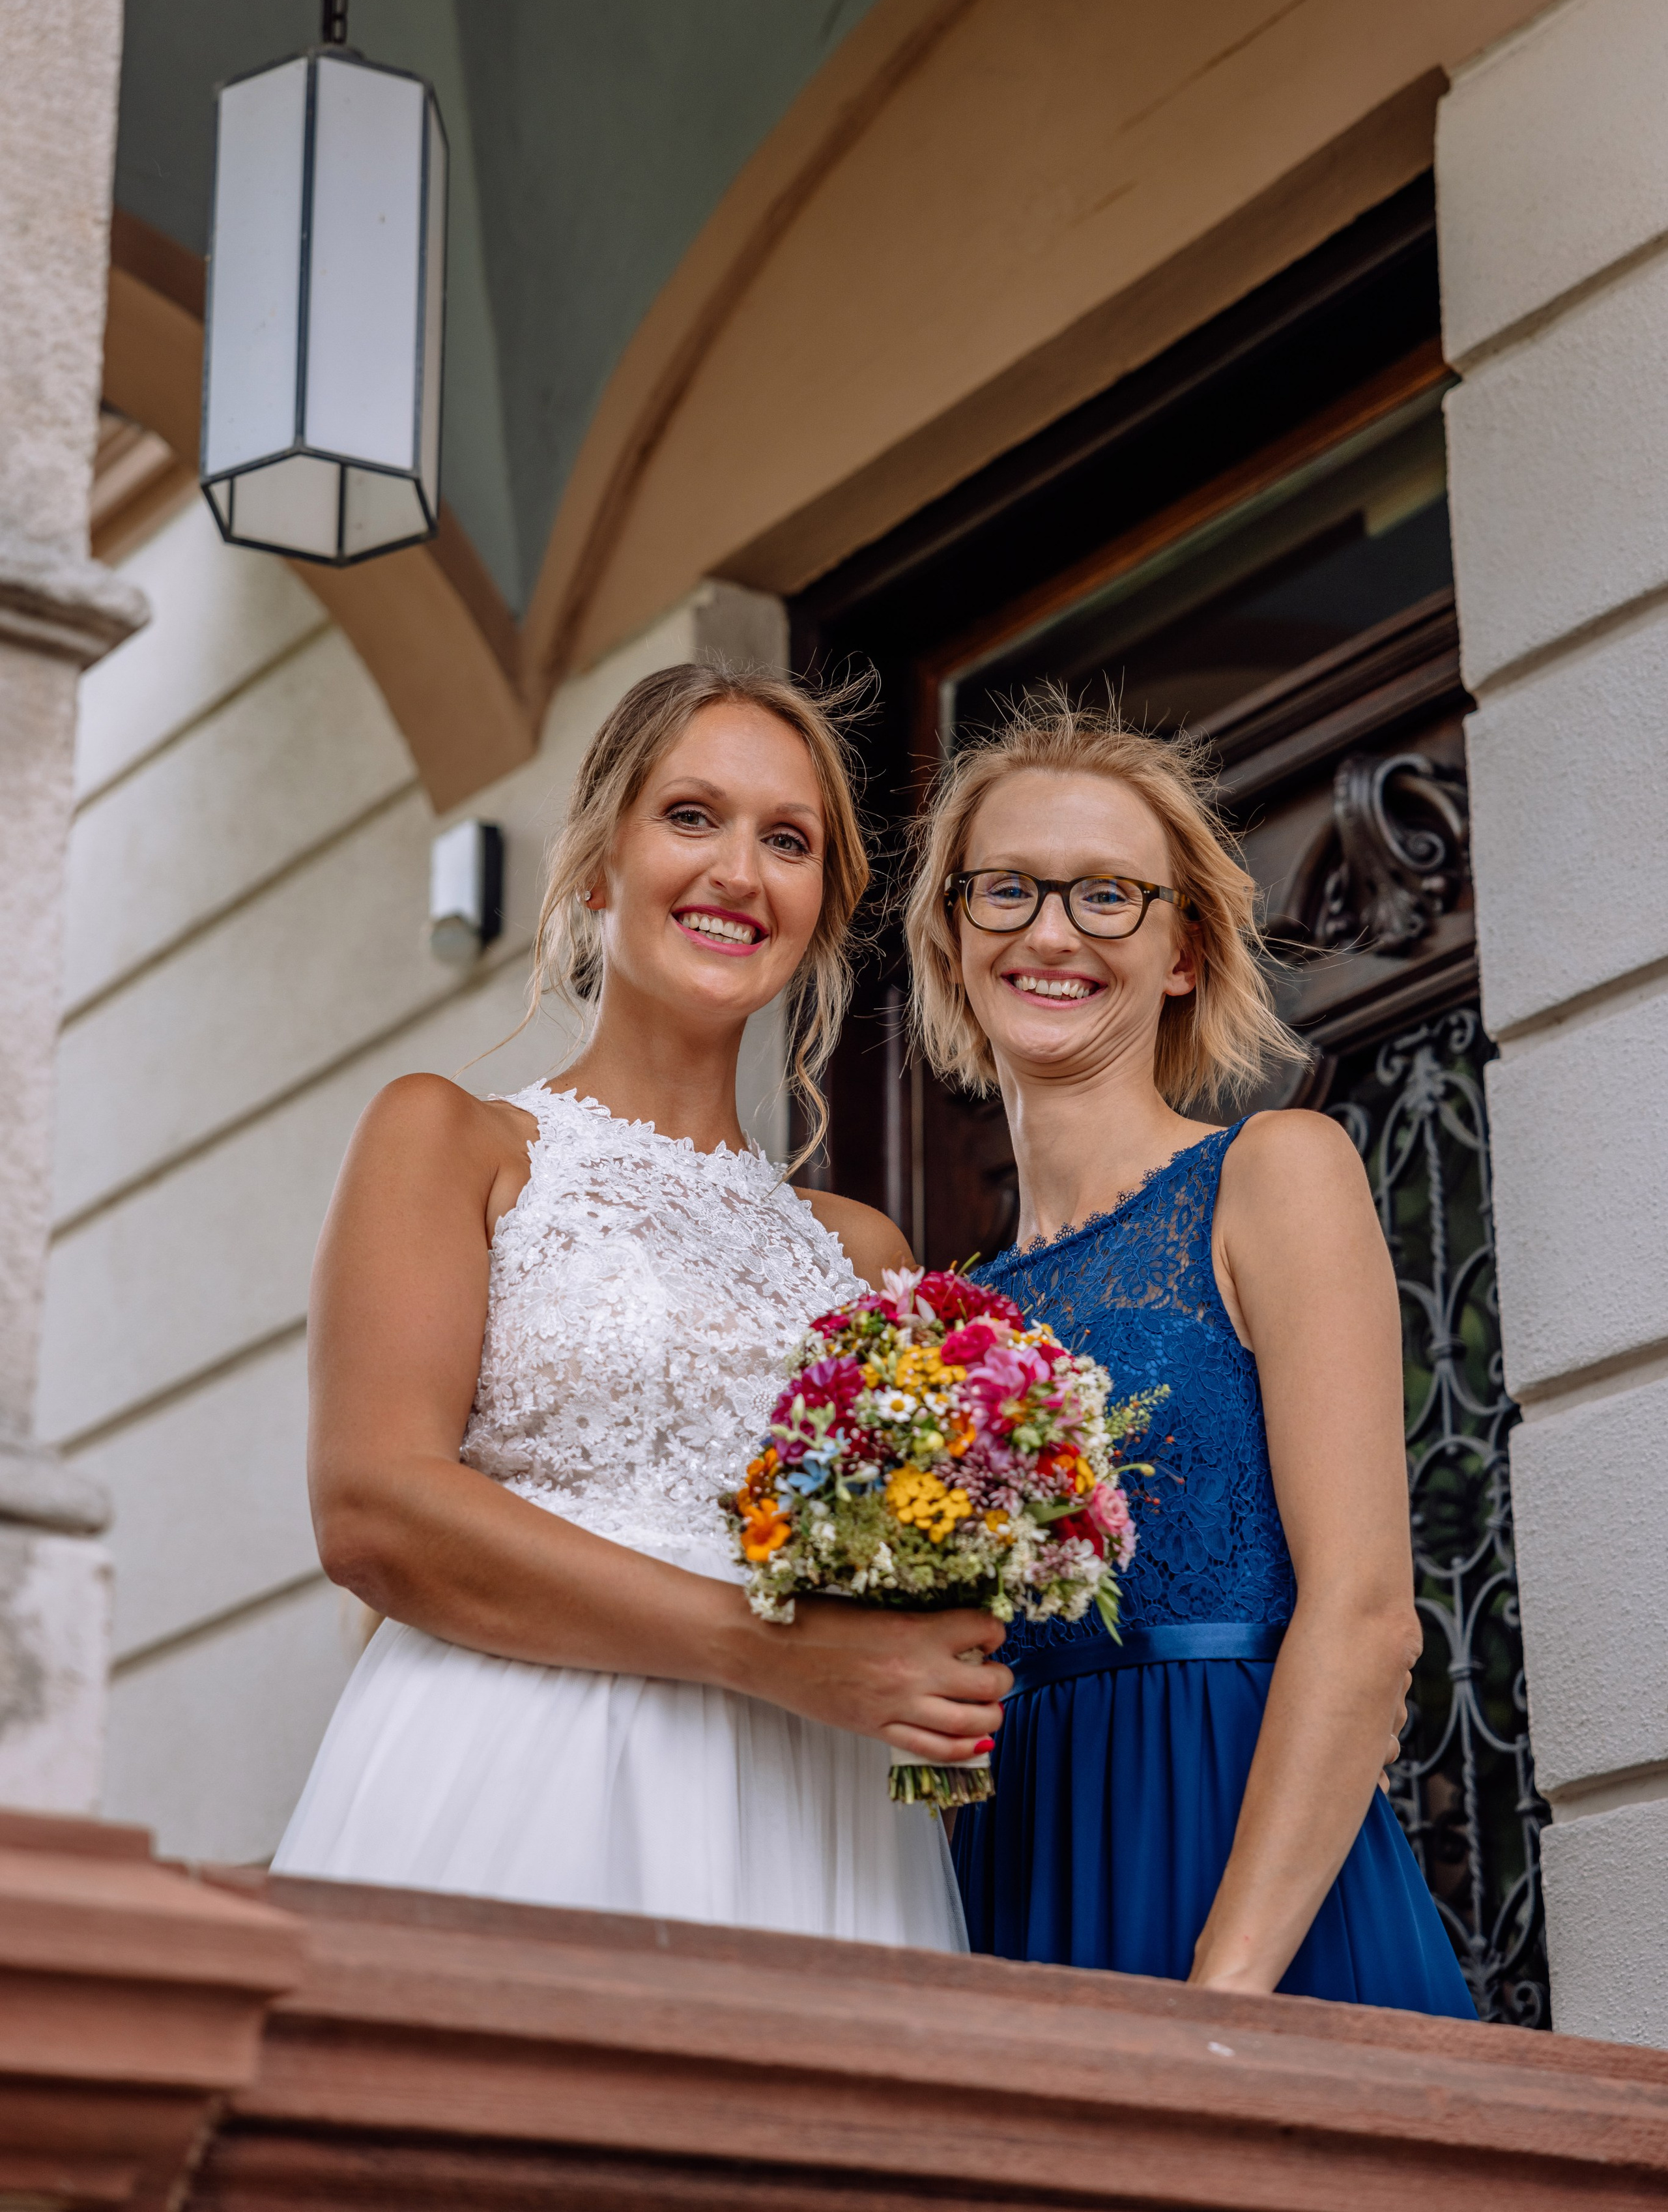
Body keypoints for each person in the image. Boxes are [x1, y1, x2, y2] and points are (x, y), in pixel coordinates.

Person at [273, 663, 1008, 1943]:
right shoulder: (449, 1141)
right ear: (598, 857)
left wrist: (941, 1706)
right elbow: (372, 1508)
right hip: (516, 1778)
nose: (736, 869)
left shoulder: (866, 1253)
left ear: (820, 908)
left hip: (818, 1840)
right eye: (689, 815)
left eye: (787, 840)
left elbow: (930, 1704)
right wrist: (769, 1650)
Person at [902, 691, 1475, 2013]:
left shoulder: (1272, 1170)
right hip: (1016, 1885)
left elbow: (1366, 1617)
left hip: (1256, 1917)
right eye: (1006, 890)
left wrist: (1219, 2000)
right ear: (951, 936)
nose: (1051, 929)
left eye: (1106, 893)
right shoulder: (942, 1322)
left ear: (1180, 948)